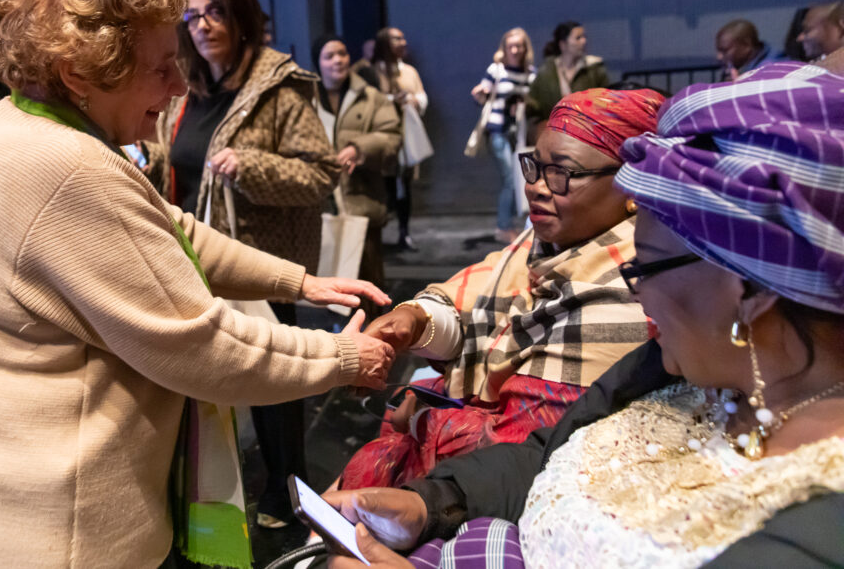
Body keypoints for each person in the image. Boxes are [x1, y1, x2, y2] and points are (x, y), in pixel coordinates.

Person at [0, 0, 396, 568]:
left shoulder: (18, 128)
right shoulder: (67, 170)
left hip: (2, 510)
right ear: (77, 72)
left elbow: (168, 229)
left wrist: (298, 281)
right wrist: (344, 355)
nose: (178, 84)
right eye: (160, 67)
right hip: (58, 535)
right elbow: (201, 343)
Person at [325, 60, 844, 568]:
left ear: (750, 286)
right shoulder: (668, 371)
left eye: (648, 269)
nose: (639, 297)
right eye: (537, 166)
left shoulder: (819, 523)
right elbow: (546, 450)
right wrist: (429, 505)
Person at [338, 88, 664, 491]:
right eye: (535, 166)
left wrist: (422, 414)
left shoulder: (628, 290)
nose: (536, 187)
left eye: (562, 173)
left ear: (632, 185)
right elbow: (474, 298)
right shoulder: (551, 242)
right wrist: (415, 321)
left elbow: (521, 448)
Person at [150, 0, 342, 530]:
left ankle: (288, 489)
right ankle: (211, 489)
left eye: (215, 13)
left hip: (262, 259)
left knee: (273, 383)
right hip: (191, 256)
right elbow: (174, 162)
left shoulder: (278, 86)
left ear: (242, 19)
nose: (203, 25)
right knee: (203, 379)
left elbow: (321, 175)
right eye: (193, 16)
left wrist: (250, 166)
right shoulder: (184, 88)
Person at [312, 34, 402, 320]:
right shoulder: (305, 99)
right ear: (318, 63)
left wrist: (359, 148)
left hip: (361, 200)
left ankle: (373, 330)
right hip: (319, 204)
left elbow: (391, 136)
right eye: (329, 56)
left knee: (368, 278)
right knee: (327, 277)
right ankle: (337, 336)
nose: (337, 60)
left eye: (342, 53)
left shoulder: (370, 96)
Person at [468, 27, 537, 242]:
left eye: (519, 46)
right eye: (511, 46)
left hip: (520, 133)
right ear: (504, 48)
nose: (515, 50)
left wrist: (524, 103)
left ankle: (522, 223)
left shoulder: (530, 73)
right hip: (498, 130)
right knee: (509, 179)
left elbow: (535, 102)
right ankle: (503, 226)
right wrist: (480, 93)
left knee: (523, 178)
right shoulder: (496, 70)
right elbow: (482, 94)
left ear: (525, 48)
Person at [372, 27, 429, 250]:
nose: (402, 42)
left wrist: (413, 100)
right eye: (397, 38)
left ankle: (404, 232)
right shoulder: (372, 71)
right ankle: (380, 234)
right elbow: (369, 99)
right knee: (384, 185)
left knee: (404, 185)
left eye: (403, 38)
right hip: (383, 136)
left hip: (405, 138)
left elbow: (422, 96)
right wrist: (390, 99)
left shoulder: (409, 71)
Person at [526, 21, 608, 132]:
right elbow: (533, 105)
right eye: (578, 38)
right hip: (554, 134)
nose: (584, 41)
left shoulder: (593, 70)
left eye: (584, 37)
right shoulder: (546, 72)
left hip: (587, 133)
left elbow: (606, 102)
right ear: (563, 44)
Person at [714, 19, 782, 81]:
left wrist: (739, 85)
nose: (719, 57)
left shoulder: (770, 69)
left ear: (747, 45)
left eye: (725, 50)